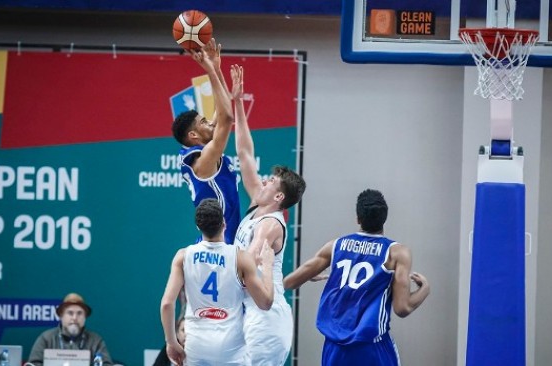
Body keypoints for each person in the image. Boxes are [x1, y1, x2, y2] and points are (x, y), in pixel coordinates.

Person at [283, 189, 430, 366]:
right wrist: (425, 290)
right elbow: (402, 308)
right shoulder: (397, 253)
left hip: (334, 348)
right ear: (385, 218)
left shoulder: (336, 245)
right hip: (372, 347)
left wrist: (312, 276)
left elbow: (290, 282)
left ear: (358, 219)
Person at [231, 64, 307, 366]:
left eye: (270, 181)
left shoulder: (270, 224)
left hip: (266, 319)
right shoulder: (256, 205)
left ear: (279, 196)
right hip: (252, 312)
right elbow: (245, 153)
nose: (263, 179)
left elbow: (245, 264)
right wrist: (237, 102)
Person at [160, 198, 276, 366]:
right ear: (224, 223)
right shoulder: (240, 258)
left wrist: (171, 342)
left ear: (198, 227)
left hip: (196, 346)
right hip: (230, 348)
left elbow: (166, 304)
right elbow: (265, 302)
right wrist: (268, 267)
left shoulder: (183, 256)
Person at [172, 38, 240, 244]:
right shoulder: (204, 161)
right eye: (203, 122)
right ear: (193, 135)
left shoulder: (202, 151)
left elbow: (222, 112)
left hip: (223, 241)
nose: (210, 123)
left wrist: (217, 70)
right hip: (220, 244)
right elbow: (227, 118)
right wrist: (209, 71)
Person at [28, 293, 113, 366]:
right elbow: (33, 364)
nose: (74, 318)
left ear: (85, 317)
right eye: (70, 313)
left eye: (79, 313)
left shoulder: (96, 340)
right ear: (61, 316)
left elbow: (106, 364)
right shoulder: (46, 338)